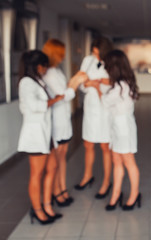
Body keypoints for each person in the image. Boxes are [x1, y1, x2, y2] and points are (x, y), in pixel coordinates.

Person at [17, 50, 64, 224]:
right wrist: (56, 100)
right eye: (45, 66)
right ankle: (37, 210)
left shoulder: (37, 81)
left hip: (46, 133)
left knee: (52, 167)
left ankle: (47, 205)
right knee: (36, 174)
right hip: (35, 134)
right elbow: (34, 105)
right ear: (38, 66)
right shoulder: (26, 83)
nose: (46, 70)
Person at [42, 39, 88, 208]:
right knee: (56, 159)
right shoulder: (48, 73)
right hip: (56, 121)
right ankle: (56, 191)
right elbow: (64, 95)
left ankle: (62, 188)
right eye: (61, 53)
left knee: (62, 158)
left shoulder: (56, 71)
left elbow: (65, 90)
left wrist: (73, 83)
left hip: (63, 119)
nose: (63, 57)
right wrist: (74, 84)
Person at [94, 49, 141, 211]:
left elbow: (105, 102)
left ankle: (134, 195)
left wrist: (97, 87)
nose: (106, 69)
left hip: (124, 128)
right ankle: (116, 194)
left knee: (129, 162)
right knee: (117, 162)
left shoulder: (121, 86)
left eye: (108, 66)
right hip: (116, 126)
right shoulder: (122, 84)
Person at [75, 36, 113, 199]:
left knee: (105, 146)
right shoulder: (87, 60)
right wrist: (89, 83)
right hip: (91, 106)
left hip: (106, 107)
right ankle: (87, 176)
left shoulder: (112, 61)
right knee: (88, 144)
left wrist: (95, 81)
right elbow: (81, 82)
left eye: (98, 54)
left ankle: (106, 182)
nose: (96, 57)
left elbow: (113, 82)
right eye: (94, 53)